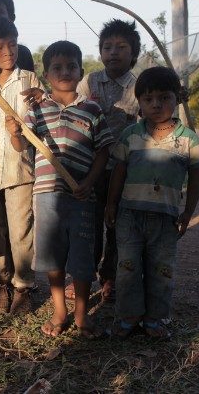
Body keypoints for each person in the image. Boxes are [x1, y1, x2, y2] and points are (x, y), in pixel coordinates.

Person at [6, 41, 113, 339]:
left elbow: (104, 150)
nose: (65, 72)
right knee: (53, 258)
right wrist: (15, 133)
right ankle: (59, 311)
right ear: (46, 73)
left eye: (71, 66)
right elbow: (21, 146)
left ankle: (81, 314)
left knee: (81, 258)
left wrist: (89, 182)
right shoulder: (38, 110)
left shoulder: (92, 109)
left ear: (81, 71)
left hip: (82, 197)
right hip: (47, 196)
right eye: (57, 67)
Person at [105, 67, 199, 339]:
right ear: (139, 102)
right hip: (130, 216)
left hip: (166, 219)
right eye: (148, 99)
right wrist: (111, 205)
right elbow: (119, 172)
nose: (156, 104)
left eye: (164, 97)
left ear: (177, 99)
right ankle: (128, 318)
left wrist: (188, 213)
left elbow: (196, 179)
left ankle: (154, 320)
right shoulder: (130, 135)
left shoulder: (188, 138)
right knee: (127, 268)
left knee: (161, 271)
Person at [0, 16, 44, 314]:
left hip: (20, 167)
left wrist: (44, 98)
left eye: (13, 45)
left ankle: (23, 287)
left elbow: (45, 118)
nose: (8, 52)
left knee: (21, 230)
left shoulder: (30, 80)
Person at [75, 19, 142, 301]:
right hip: (92, 167)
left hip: (124, 168)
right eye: (107, 47)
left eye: (121, 47)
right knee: (89, 223)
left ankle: (110, 277)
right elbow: (76, 110)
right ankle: (84, 275)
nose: (113, 52)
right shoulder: (89, 81)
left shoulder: (139, 86)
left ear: (134, 53)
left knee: (116, 224)